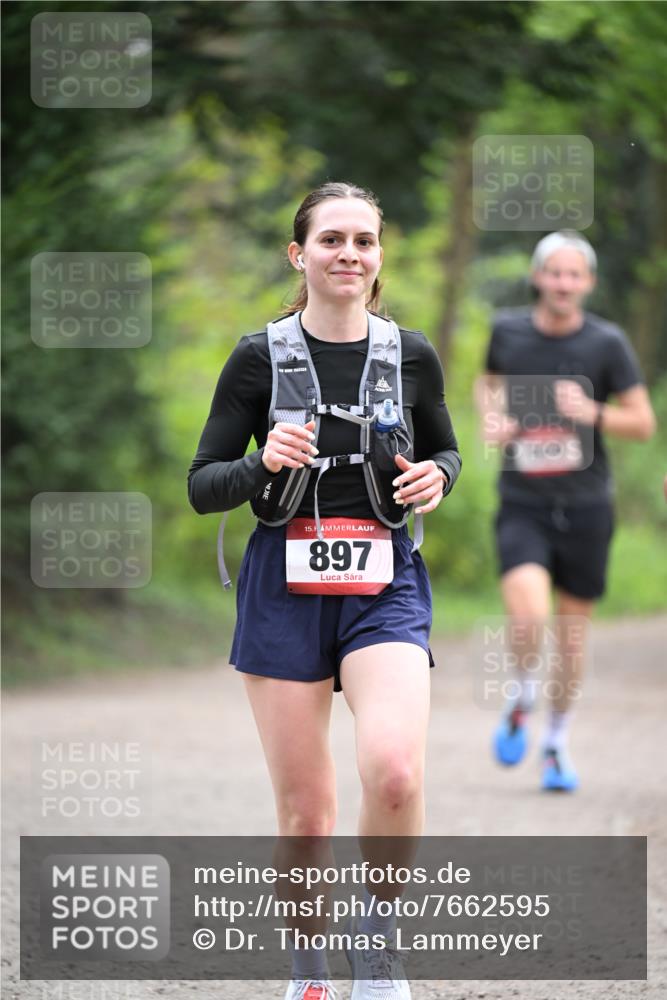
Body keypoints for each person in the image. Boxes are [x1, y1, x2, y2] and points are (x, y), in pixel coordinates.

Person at [188, 182, 461, 1000]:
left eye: (364, 241)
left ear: (379, 256)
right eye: (332, 239)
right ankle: (308, 972)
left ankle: (375, 947)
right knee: (308, 816)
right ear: (297, 254)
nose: (349, 254)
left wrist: (437, 479)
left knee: (396, 773)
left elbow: (445, 451)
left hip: (383, 580)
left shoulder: (409, 353)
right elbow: (203, 484)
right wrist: (261, 461)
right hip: (282, 585)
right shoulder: (256, 357)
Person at [476, 230, 656, 792]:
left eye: (573, 274)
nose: (563, 283)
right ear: (538, 277)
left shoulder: (607, 343)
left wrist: (592, 411)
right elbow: (488, 383)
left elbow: (643, 423)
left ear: (588, 283)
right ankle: (522, 692)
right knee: (529, 615)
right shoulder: (507, 331)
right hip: (523, 501)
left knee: (572, 639)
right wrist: (494, 418)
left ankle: (555, 743)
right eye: (554, 272)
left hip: (586, 507)